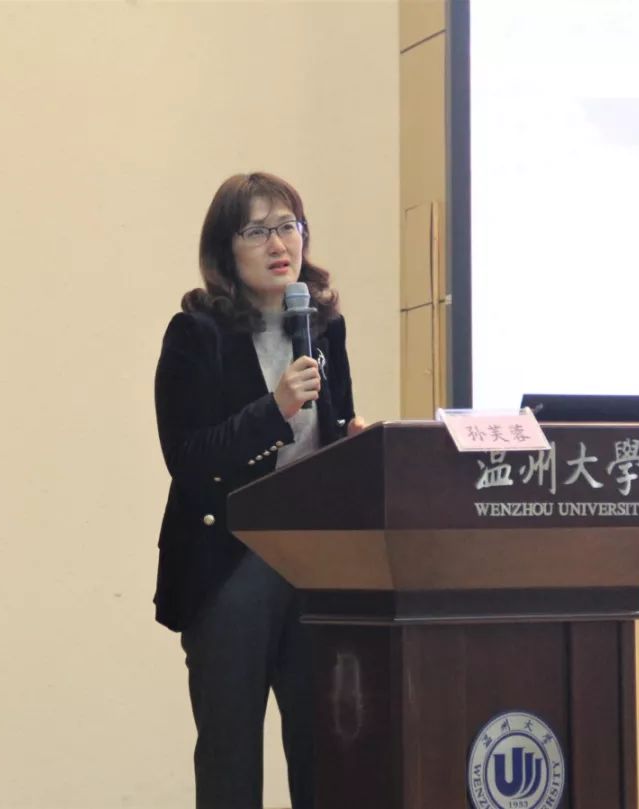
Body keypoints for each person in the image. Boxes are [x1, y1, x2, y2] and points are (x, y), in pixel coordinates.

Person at [153, 172, 366, 809]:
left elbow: (325, 442)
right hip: (228, 565)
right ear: (226, 249)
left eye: (288, 226)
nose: (279, 243)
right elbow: (188, 459)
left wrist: (354, 444)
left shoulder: (324, 329)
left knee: (326, 752)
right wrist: (273, 409)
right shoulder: (195, 334)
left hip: (311, 565)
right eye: (257, 230)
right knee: (231, 759)